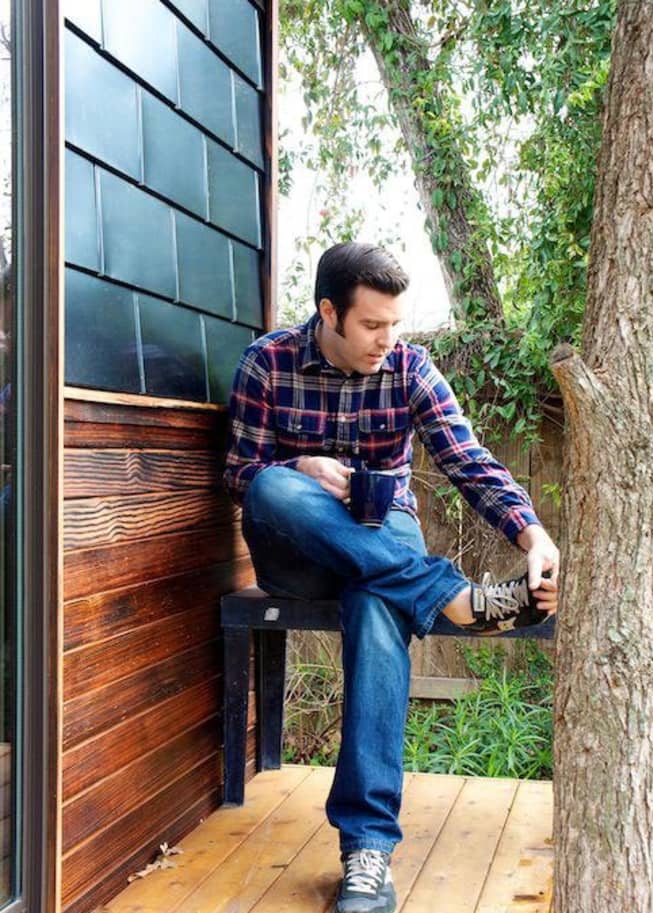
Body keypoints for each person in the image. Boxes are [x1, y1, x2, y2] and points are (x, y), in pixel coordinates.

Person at [224, 242, 559, 913]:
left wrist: (534, 534)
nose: (387, 339)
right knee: (272, 489)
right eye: (373, 325)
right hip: (297, 551)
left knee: (378, 607)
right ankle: (448, 595)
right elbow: (239, 475)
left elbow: (468, 460)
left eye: (395, 324)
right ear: (329, 312)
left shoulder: (409, 368)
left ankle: (367, 852)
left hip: (383, 542)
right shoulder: (268, 362)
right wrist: (299, 469)